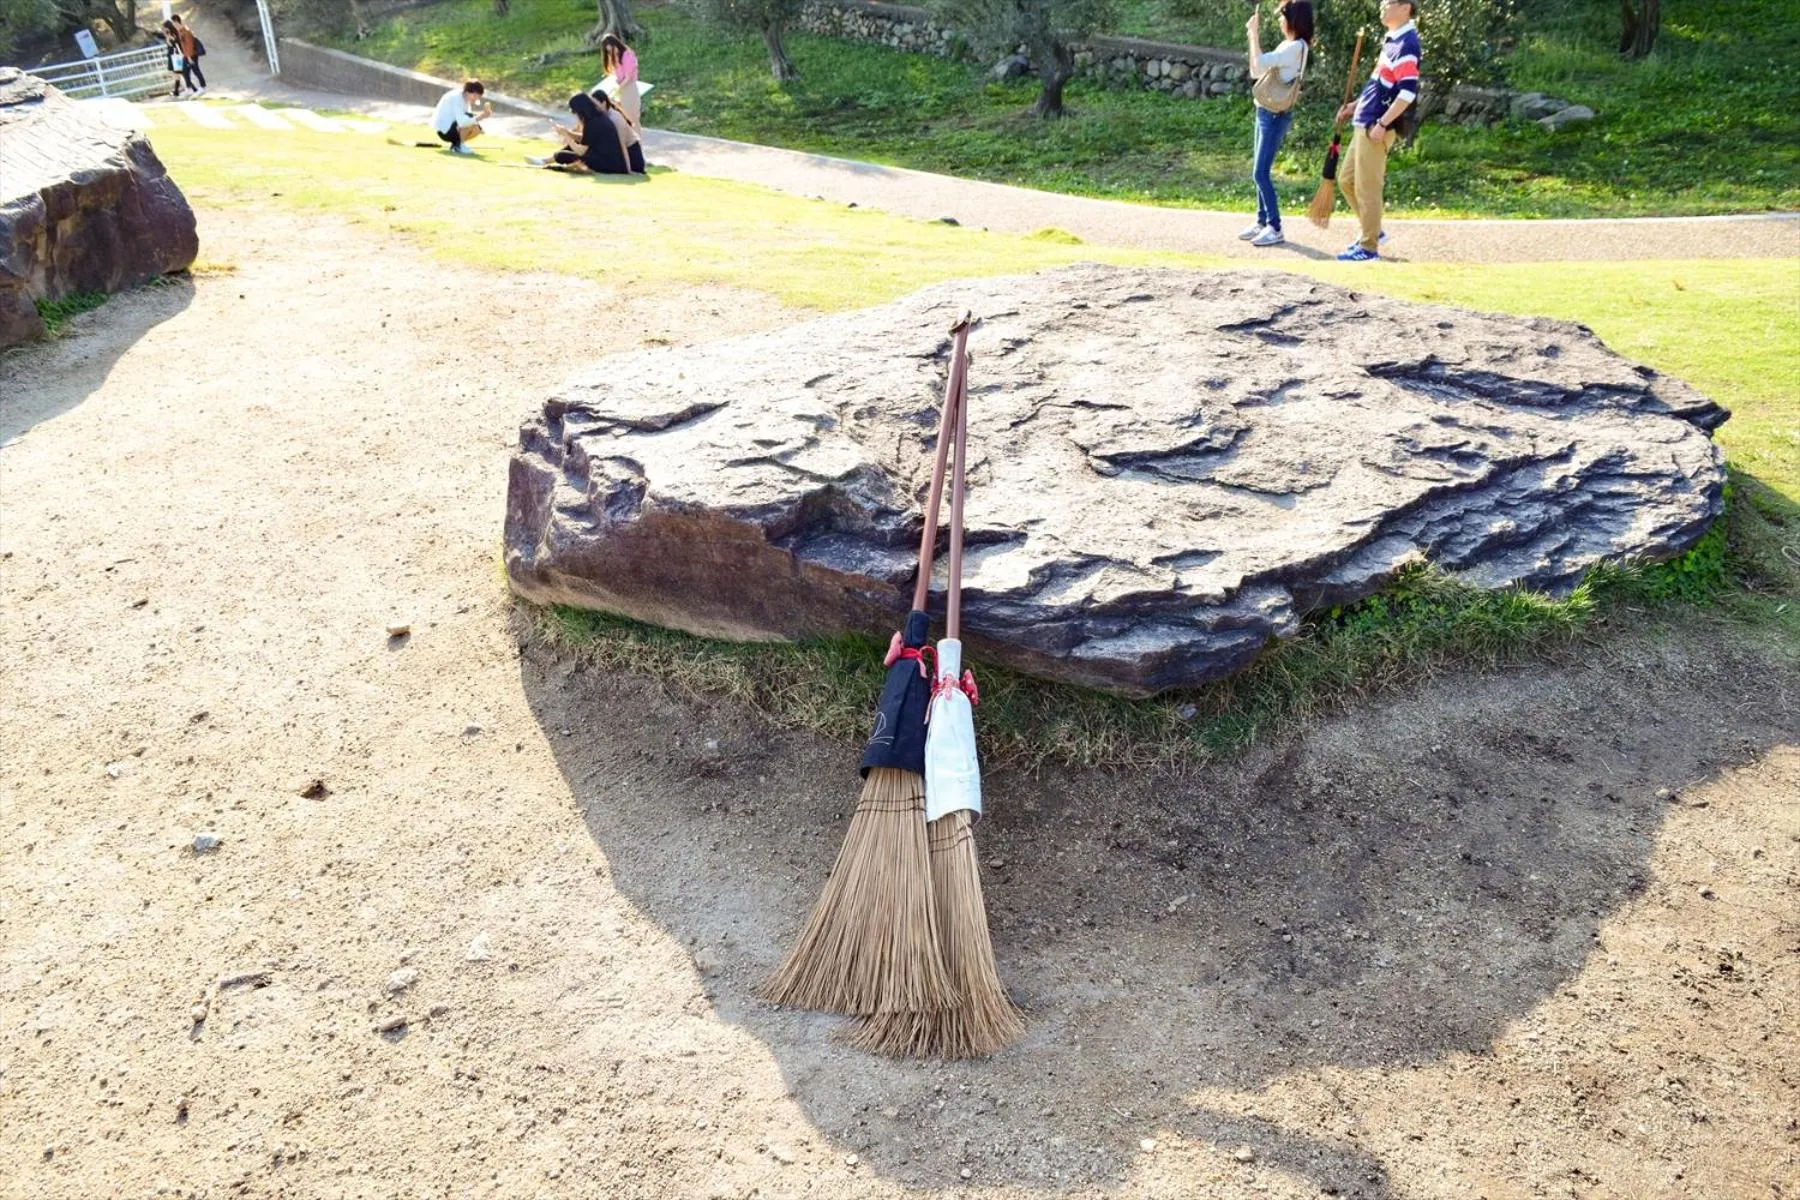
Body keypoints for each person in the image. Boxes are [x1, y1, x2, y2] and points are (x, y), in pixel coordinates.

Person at [1334, 0, 1420, 261]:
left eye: (1389, 2)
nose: (1383, 5)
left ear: (1405, 7)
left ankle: (1368, 247)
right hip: (1364, 119)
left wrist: (1383, 124)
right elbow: (1378, 83)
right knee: (1346, 181)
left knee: (1367, 188)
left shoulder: (1407, 44)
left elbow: (1407, 93)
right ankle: (1373, 230)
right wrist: (1354, 105)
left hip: (1375, 126)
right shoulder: (1392, 40)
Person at [1240, 1, 1313, 248]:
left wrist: (1253, 34)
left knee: (1260, 173)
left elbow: (1259, 63)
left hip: (1274, 116)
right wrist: (1253, 39)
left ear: (1294, 19)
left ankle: (1275, 226)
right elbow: (1255, 70)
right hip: (1265, 112)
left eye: (1283, 16)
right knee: (1258, 172)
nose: (1280, 21)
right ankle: (1262, 221)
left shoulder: (1295, 47)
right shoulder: (1288, 45)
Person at [530, 92, 631, 175]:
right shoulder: (597, 118)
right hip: (607, 160)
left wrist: (566, 136)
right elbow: (586, 139)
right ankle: (544, 161)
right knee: (570, 147)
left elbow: (582, 151)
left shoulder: (593, 123)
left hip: (606, 164)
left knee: (561, 155)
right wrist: (568, 132)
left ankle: (546, 160)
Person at [434, 79, 493, 156]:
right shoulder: (456, 98)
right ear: (467, 92)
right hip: (444, 131)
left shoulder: (465, 98)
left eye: (478, 97)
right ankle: (460, 146)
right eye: (475, 96)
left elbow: (469, 119)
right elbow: (462, 122)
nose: (476, 99)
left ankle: (456, 146)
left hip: (452, 128)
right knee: (470, 120)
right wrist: (481, 116)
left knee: (477, 129)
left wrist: (480, 123)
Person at [170, 14, 206, 96]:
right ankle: (189, 88)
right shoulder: (181, 31)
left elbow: (189, 45)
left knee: (196, 70)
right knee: (185, 71)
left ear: (177, 22)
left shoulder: (185, 31)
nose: (173, 26)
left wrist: (189, 57)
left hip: (191, 54)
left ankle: (202, 87)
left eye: (174, 24)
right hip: (186, 55)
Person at [161, 20, 188, 99]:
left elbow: (175, 45)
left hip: (176, 56)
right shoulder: (169, 35)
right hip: (173, 56)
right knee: (177, 74)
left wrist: (168, 38)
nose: (163, 30)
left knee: (180, 73)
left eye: (164, 28)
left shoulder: (173, 35)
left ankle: (191, 88)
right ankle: (176, 91)